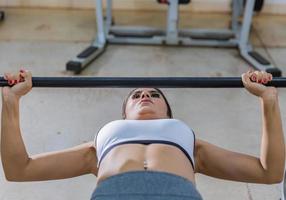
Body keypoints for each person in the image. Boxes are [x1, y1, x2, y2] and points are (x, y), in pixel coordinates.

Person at [1, 69, 285, 200]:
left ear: (168, 114)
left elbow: (269, 172)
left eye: (153, 94)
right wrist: (11, 103)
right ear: (124, 115)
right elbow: (19, 169)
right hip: (114, 194)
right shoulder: (100, 145)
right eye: (136, 95)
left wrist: (268, 102)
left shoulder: (190, 143)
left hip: (176, 195)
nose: (144, 95)